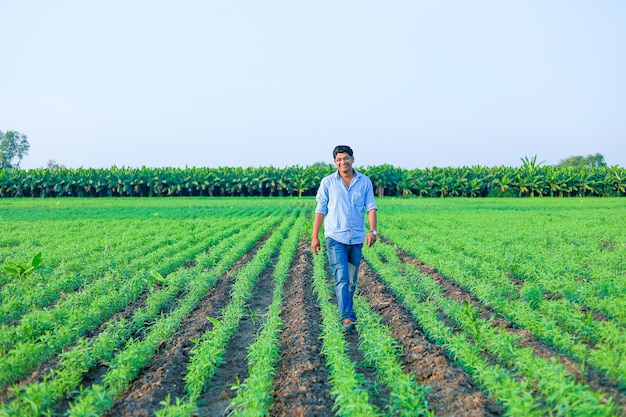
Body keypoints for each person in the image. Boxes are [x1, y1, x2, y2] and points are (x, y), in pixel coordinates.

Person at [311, 145, 378, 333]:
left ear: (353, 159)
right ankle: (347, 317)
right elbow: (320, 209)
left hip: (356, 239)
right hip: (335, 238)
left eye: (346, 158)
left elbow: (371, 206)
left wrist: (373, 231)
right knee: (341, 276)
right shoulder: (328, 183)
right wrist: (314, 237)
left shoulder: (364, 182)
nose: (343, 162)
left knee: (351, 279)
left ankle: (347, 312)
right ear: (335, 162)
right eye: (339, 159)